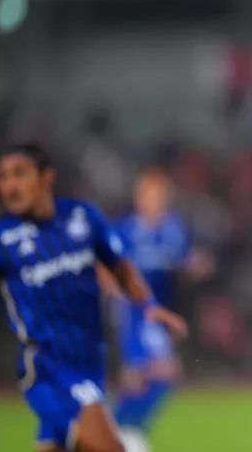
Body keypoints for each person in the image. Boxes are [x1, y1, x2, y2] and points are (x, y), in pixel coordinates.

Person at [0, 144, 187, 452]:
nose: (10, 185)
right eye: (3, 177)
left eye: (19, 174)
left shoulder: (82, 218)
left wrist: (148, 305)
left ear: (46, 177)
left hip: (91, 365)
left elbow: (120, 266)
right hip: (49, 370)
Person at [97, 166, 213, 449]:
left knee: (146, 378)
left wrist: (196, 265)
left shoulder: (173, 227)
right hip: (134, 312)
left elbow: (182, 259)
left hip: (160, 311)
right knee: (158, 372)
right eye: (150, 193)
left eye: (160, 194)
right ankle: (120, 431)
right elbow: (104, 265)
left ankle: (119, 429)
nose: (155, 199)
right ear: (139, 196)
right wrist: (112, 283)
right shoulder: (126, 228)